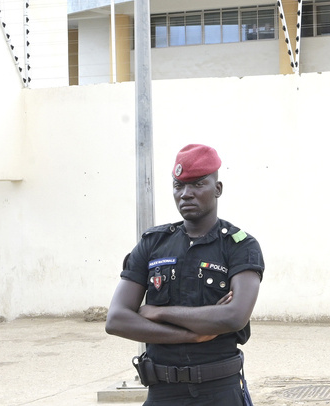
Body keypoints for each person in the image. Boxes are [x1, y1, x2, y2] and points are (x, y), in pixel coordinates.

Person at [106, 144, 264, 405]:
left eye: (198, 184)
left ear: (218, 189)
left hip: (220, 392)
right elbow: (117, 320)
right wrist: (192, 334)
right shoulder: (153, 243)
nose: (186, 194)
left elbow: (234, 316)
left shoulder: (239, 245)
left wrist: (159, 312)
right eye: (178, 186)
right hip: (162, 391)